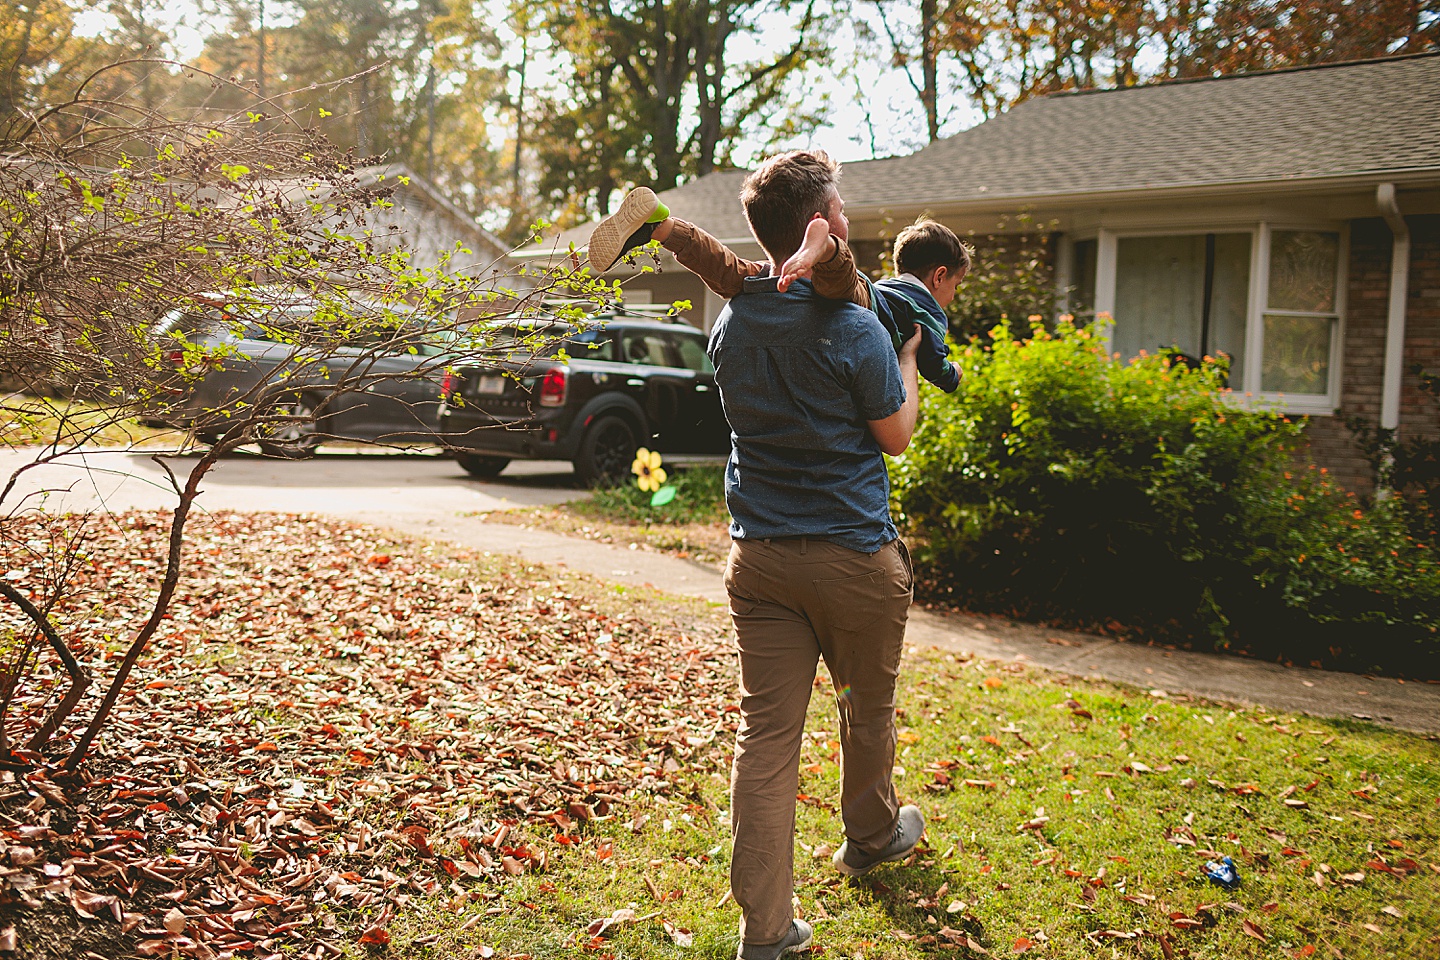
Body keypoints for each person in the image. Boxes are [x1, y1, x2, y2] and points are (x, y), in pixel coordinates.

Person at [685, 150, 926, 960]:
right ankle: (870, 836)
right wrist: (909, 362)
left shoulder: (733, 321)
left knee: (768, 737)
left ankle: (766, 930)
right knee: (861, 705)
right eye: (841, 206)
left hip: (762, 566)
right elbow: (895, 438)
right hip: (851, 569)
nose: (850, 218)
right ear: (820, 226)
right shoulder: (857, 329)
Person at [586, 187, 969, 394]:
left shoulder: (893, 285)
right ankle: (824, 248)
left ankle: (663, 228)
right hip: (860, 295)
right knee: (841, 280)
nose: (952, 294)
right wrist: (952, 374)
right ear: (938, 276)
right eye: (955, 284)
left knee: (733, 272)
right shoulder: (929, 313)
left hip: (789, 275)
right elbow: (933, 361)